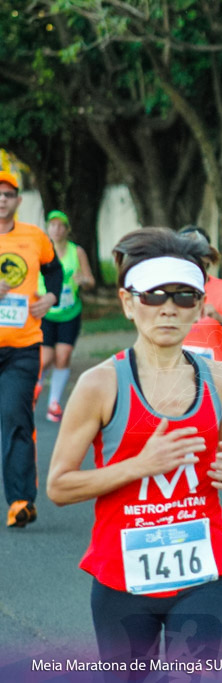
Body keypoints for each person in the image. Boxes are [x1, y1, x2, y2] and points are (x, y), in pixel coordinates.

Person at [46, 227, 222, 676]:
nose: (169, 309)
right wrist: (141, 464)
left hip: (203, 572)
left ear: (199, 305)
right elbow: (59, 486)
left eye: (184, 296)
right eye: (154, 296)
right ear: (128, 302)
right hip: (121, 574)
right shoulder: (100, 384)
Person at [0, 170, 63, 527]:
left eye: (8, 194)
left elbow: (54, 272)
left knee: (15, 419)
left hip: (23, 347)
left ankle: (20, 501)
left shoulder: (34, 237)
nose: (2, 200)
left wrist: (51, 296)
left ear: (18, 200)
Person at [37, 209, 96, 422]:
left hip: (70, 313)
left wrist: (84, 281)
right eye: (53, 225)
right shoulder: (41, 250)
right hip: (45, 312)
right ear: (48, 228)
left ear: (67, 229)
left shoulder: (76, 252)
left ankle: (54, 403)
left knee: (63, 356)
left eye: (61, 225)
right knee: (45, 359)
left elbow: (90, 280)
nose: (57, 229)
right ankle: (34, 391)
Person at [178, 225, 222, 364]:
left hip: (212, 377)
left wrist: (220, 318)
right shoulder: (167, 290)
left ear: (207, 259)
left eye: (197, 257)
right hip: (175, 376)